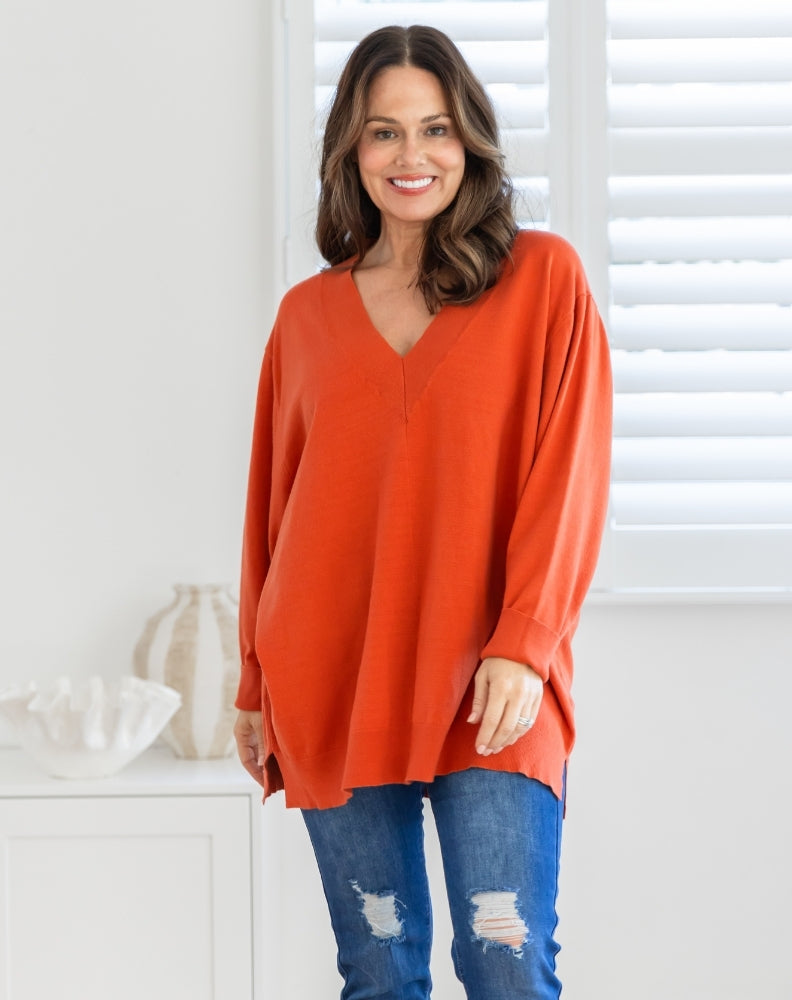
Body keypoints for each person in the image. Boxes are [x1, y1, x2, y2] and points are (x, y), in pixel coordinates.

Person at [234, 24, 612, 1000]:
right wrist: (253, 683)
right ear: (350, 151)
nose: (412, 155)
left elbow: (570, 473)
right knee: (378, 967)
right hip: (332, 679)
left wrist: (525, 641)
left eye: (436, 128)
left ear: (469, 139)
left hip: (492, 684)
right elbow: (272, 511)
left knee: (505, 959)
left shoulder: (544, 281)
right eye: (384, 132)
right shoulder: (306, 318)